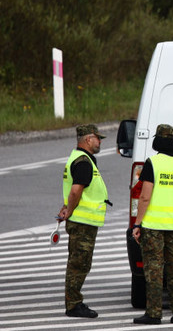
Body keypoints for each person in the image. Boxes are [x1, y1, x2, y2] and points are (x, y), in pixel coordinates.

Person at [131, 124, 173, 325]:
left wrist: (137, 224)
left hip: (154, 226)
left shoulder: (153, 163)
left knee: (154, 270)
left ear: (158, 140)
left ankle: (154, 314)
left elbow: (145, 197)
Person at [57, 124, 111, 319]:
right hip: (82, 222)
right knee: (79, 264)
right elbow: (75, 191)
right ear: (88, 139)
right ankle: (73, 304)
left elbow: (71, 191)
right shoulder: (83, 162)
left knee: (79, 262)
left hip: (81, 221)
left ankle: (74, 301)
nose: (100, 141)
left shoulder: (79, 158)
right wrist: (69, 211)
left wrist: (65, 209)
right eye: (98, 138)